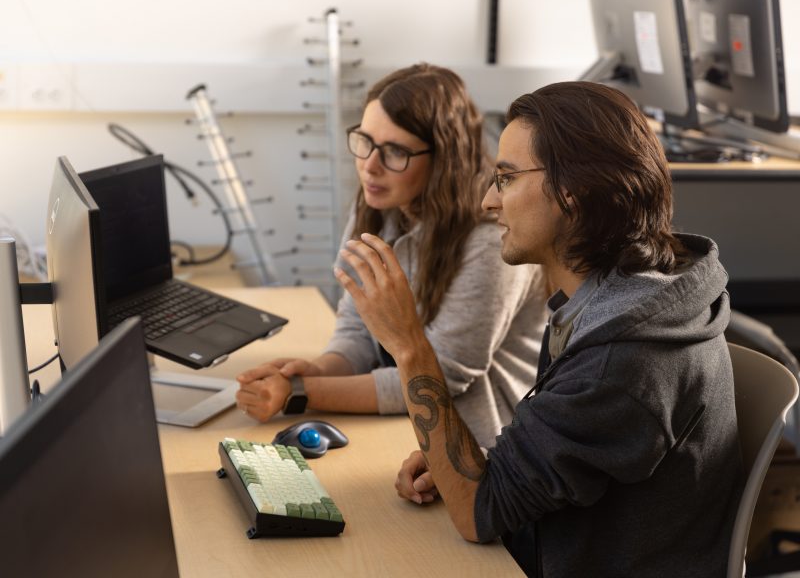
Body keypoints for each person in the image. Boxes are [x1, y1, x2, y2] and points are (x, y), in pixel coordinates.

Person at [334, 81, 744, 576]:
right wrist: (484, 461)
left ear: (574, 193)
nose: (488, 201)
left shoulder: (620, 359)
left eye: (506, 179)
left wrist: (407, 345)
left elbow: (477, 513)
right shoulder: (613, 302)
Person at [235, 63, 548, 449]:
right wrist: (318, 370)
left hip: (479, 443)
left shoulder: (488, 238)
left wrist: (301, 392)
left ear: (444, 158)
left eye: (396, 151)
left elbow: (441, 378)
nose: (369, 165)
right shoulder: (381, 204)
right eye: (364, 141)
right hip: (407, 425)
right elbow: (357, 329)